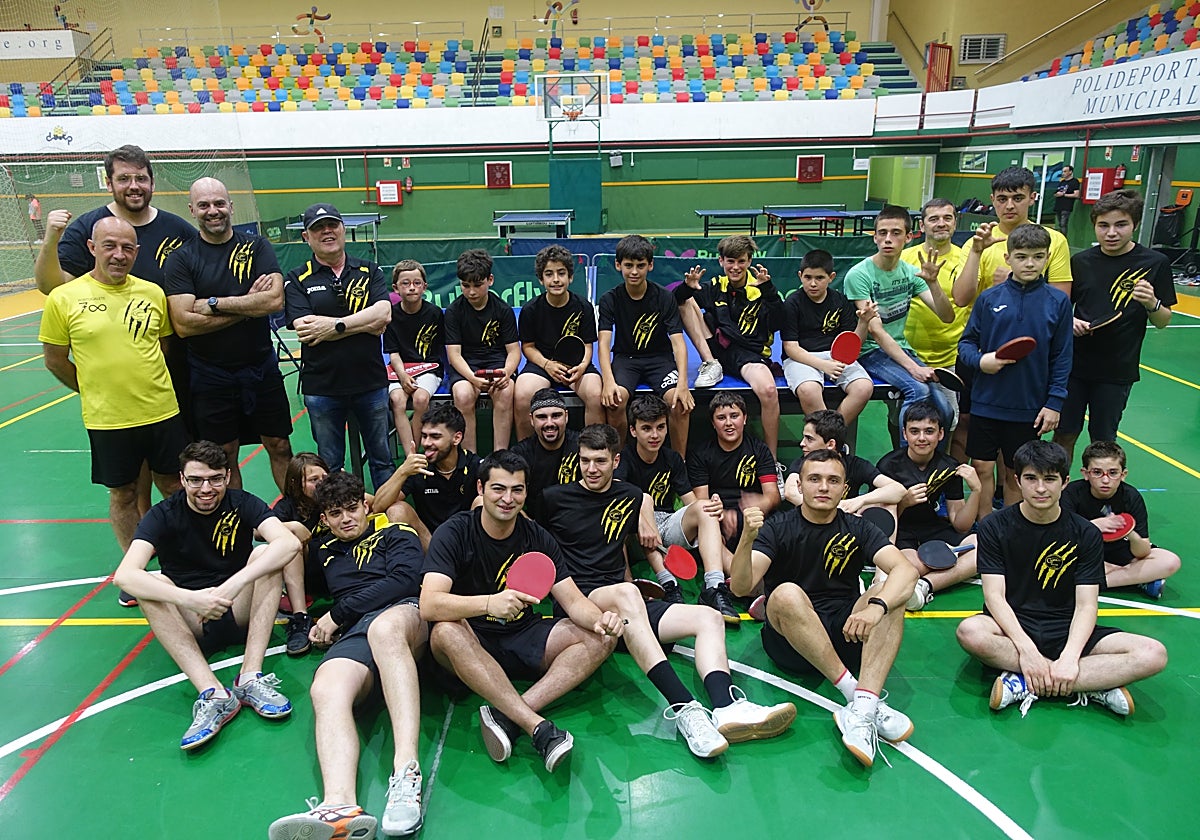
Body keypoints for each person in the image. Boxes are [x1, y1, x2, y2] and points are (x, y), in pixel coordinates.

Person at [543, 424, 796, 757]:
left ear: (616, 461)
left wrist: (646, 513)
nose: (591, 469)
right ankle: (686, 710)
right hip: (584, 608)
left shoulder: (631, 498)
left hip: (628, 611)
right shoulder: (553, 499)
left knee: (708, 618)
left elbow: (631, 524)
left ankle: (726, 706)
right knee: (627, 593)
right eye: (585, 461)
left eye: (600, 461)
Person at [420, 450, 623, 772]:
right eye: (498, 488)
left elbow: (572, 600)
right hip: (472, 640)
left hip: (522, 634)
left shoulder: (537, 537)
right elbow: (429, 604)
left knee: (600, 640)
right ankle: (537, 727)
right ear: (480, 489)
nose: (507, 498)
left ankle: (507, 714)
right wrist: (489, 602)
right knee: (445, 630)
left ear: (526, 493)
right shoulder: (455, 532)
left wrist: (601, 620)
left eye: (517, 490)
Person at [34, 145, 196, 516]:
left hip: (170, 384)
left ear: (152, 182)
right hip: (113, 405)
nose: (134, 185)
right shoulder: (84, 228)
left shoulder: (176, 229)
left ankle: (179, 546)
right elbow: (51, 287)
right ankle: (141, 549)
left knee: (174, 475)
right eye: (124, 178)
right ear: (109, 183)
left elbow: (167, 341)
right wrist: (50, 240)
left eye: (141, 178)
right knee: (127, 484)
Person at [732, 450, 918, 768]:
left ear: (845, 489)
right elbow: (739, 586)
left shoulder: (857, 527)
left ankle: (863, 706)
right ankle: (854, 695)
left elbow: (907, 571)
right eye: (814, 479)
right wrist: (747, 540)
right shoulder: (778, 528)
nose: (823, 487)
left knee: (891, 598)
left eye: (833, 480)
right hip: (791, 644)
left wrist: (877, 607)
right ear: (800, 486)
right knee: (786, 593)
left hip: (845, 631)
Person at [956, 440, 1167, 718]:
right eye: (1031, 478)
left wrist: (1069, 656)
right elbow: (994, 596)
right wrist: (1027, 650)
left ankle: (1024, 682)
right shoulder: (994, 526)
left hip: (1068, 627)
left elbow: (1087, 605)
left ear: (1065, 482)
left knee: (1154, 653)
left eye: (1050, 479)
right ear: (1017, 480)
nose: (1041, 488)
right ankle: (1092, 683)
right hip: (1013, 625)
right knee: (970, 632)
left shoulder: (1085, 533)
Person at [268, 471, 427, 839]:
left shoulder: (395, 532)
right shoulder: (323, 550)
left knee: (383, 630)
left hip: (405, 614)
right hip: (357, 629)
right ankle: (339, 806)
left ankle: (406, 773)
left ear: (366, 506)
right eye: (336, 513)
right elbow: (289, 565)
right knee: (326, 687)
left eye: (353, 509)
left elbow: (404, 580)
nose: (347, 519)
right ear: (324, 518)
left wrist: (338, 614)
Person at [112, 441, 301, 750]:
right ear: (182, 480)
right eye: (196, 480)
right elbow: (125, 575)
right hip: (192, 617)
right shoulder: (163, 514)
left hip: (236, 606)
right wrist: (191, 599)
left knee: (268, 554)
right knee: (147, 584)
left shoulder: (243, 503)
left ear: (227, 477)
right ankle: (214, 694)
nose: (206, 488)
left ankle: (250, 677)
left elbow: (289, 544)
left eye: (215, 478)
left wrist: (233, 585)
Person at [39, 215, 188, 605]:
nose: (119, 255)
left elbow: (165, 347)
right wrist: (93, 388)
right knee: (122, 496)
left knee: (174, 488)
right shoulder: (64, 298)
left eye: (127, 248)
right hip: (108, 420)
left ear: (137, 252)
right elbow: (55, 360)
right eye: (110, 246)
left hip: (162, 412)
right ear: (92, 248)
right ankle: (135, 575)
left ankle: (180, 566)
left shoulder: (152, 293)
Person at [164, 177, 293, 491]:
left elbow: (274, 300)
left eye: (219, 203)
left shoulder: (256, 246)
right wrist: (248, 306)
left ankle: (297, 517)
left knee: (279, 445)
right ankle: (237, 525)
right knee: (223, 455)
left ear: (230, 207)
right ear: (192, 209)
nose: (213, 211)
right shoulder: (181, 259)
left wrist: (212, 304)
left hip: (261, 367)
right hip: (210, 375)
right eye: (204, 205)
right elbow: (183, 323)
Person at [1053, 189, 1175, 464]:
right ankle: (1058, 494)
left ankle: (1099, 494)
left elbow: (1163, 321)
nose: (1111, 233)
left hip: (1117, 370)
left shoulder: (1155, 263)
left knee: (1103, 440)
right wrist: (1070, 322)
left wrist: (1152, 302)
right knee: (1064, 433)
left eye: (1120, 225)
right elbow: (1060, 309)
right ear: (1095, 226)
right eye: (1103, 225)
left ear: (1135, 225)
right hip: (1073, 366)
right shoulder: (1081, 262)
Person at [958, 224, 1072, 514]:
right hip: (986, 401)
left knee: (1016, 472)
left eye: (1037, 256)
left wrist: (1054, 403)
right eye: (1021, 256)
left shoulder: (1058, 302)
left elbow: (1062, 357)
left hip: (1028, 406)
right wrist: (982, 360)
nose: (1030, 263)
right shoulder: (989, 299)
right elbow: (967, 344)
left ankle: (1009, 526)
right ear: (1008, 258)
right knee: (982, 466)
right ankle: (986, 529)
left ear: (1047, 257)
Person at [283, 203, 395, 491]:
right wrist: (363, 323)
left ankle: (390, 521)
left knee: (382, 459)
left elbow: (383, 314)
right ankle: (336, 522)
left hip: (370, 383)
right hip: (323, 389)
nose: (327, 231)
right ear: (306, 237)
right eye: (318, 228)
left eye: (332, 225)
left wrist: (335, 326)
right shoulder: (297, 279)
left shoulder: (369, 271)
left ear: (344, 230)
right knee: (328, 465)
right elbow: (305, 329)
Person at [844, 205, 956, 432]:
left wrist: (933, 284)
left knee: (946, 410)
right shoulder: (859, 275)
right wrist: (914, 368)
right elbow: (876, 330)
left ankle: (932, 462)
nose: (888, 239)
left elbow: (946, 316)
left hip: (901, 349)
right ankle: (907, 462)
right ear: (874, 237)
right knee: (919, 390)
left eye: (896, 233)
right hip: (870, 352)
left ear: (909, 237)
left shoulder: (911, 273)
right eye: (882, 233)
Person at [676, 235, 786, 460]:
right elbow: (674, 302)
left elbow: (779, 323)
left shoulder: (760, 290)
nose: (735, 267)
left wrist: (770, 292)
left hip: (748, 356)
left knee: (769, 391)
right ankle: (710, 364)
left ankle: (772, 461)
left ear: (749, 261)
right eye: (730, 261)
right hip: (716, 349)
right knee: (685, 301)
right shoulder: (716, 285)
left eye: (741, 261)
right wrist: (686, 288)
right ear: (721, 261)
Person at [615, 394, 725, 609]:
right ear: (633, 431)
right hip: (633, 533)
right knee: (643, 500)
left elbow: (690, 502)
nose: (655, 435)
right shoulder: (624, 459)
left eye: (660, 427)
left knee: (705, 508)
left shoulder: (672, 458)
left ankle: (715, 586)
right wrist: (642, 523)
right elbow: (616, 501)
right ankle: (669, 584)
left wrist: (711, 510)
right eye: (647, 428)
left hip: (666, 528)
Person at [876, 402, 981, 610]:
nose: (922, 438)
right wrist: (904, 502)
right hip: (903, 533)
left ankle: (925, 585)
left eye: (929, 431)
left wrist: (977, 491)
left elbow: (960, 525)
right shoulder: (888, 466)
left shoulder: (949, 466)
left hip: (935, 530)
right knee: (909, 566)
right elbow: (882, 522)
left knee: (983, 548)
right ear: (904, 434)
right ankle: (924, 574)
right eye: (914, 431)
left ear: (941, 434)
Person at [686, 391, 781, 619]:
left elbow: (773, 496)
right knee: (708, 530)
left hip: (752, 517)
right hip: (719, 519)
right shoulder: (701, 453)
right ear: (712, 422)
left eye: (734, 415)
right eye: (721, 417)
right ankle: (750, 587)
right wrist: (721, 513)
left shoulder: (759, 450)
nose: (729, 423)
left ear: (745, 418)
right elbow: (702, 501)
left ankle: (744, 583)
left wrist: (757, 504)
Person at [597, 234, 695, 452]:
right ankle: (618, 461)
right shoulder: (609, 299)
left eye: (640, 265)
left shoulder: (664, 297)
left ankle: (679, 463)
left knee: (679, 402)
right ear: (617, 265)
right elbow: (603, 344)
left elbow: (678, 342)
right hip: (626, 360)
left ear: (650, 265)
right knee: (615, 400)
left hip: (660, 359)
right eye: (628, 265)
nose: (634, 271)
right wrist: (608, 381)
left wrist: (683, 383)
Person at [1060, 441, 1180, 600]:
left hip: (1120, 552)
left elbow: (1143, 551)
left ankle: (1096, 583)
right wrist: (1094, 526)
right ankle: (1136, 580)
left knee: (1170, 561)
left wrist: (1130, 533)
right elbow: (1060, 539)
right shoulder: (1071, 494)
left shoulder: (1131, 497)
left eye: (1113, 473)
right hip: (1084, 553)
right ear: (1085, 473)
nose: (1105, 480)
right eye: (1097, 472)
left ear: (1123, 475)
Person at [901, 199, 972, 460]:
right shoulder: (906, 257)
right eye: (934, 218)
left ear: (955, 222)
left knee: (947, 419)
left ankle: (939, 479)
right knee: (902, 418)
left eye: (947, 217)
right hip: (908, 356)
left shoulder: (966, 258)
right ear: (922, 225)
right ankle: (903, 468)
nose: (941, 223)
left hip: (950, 357)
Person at [514, 244, 604, 438]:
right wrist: (547, 365)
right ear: (540, 279)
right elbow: (528, 347)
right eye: (549, 274)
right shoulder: (530, 310)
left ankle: (593, 450)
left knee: (596, 395)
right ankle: (526, 453)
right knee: (521, 396)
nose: (556, 279)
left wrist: (581, 366)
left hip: (576, 365)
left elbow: (588, 346)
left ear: (570, 277)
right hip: (541, 363)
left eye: (561, 273)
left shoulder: (583, 307)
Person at [953, 165, 1073, 309]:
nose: (1009, 206)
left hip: (1033, 329)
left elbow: (1060, 304)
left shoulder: (1054, 240)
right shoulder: (977, 244)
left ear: (1032, 198)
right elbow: (961, 300)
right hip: (987, 329)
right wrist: (975, 252)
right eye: (1002, 199)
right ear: (993, 199)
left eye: (1017, 198)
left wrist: (1016, 282)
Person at [780, 249, 877, 427]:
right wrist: (823, 365)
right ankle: (829, 441)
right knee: (809, 390)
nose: (813, 283)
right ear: (800, 276)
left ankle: (830, 437)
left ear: (831, 277)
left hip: (836, 357)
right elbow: (791, 348)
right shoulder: (792, 303)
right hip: (802, 357)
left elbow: (852, 344)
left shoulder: (840, 301)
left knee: (864, 387)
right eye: (808, 277)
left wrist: (863, 323)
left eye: (819, 278)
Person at [371, 403, 482, 549]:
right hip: (429, 545)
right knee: (396, 509)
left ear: (457, 438)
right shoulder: (417, 467)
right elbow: (378, 506)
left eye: (435, 436)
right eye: (424, 436)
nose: (427, 443)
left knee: (483, 502)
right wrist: (403, 470)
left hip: (467, 545)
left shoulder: (474, 464)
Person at [445, 248, 520, 451]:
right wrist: (472, 378)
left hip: (497, 364)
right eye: (465, 285)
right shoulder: (453, 312)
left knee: (505, 392)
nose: (471, 292)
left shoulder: (503, 310)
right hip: (467, 367)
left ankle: (499, 454)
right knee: (462, 395)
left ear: (490, 280)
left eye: (477, 285)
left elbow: (514, 351)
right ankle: (470, 457)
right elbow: (454, 355)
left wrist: (507, 372)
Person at [783, 410, 906, 520]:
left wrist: (859, 501)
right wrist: (834, 512)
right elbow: (791, 493)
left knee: (889, 504)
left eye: (809, 439)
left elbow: (898, 490)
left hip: (848, 525)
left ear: (830, 444)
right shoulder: (801, 463)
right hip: (813, 522)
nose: (802, 443)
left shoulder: (856, 464)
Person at [271, 452, 331, 656]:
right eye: (314, 480)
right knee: (289, 543)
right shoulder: (287, 507)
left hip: (337, 568)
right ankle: (300, 618)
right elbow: (257, 530)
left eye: (325, 478)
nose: (322, 484)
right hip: (307, 575)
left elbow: (372, 502)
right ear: (297, 484)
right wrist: (293, 526)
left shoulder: (335, 495)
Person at [385, 259, 445, 455]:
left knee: (420, 399)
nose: (412, 288)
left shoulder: (435, 313)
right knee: (397, 400)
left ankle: (417, 451)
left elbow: (443, 351)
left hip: (429, 368)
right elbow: (393, 353)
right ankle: (411, 457)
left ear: (424, 286)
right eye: (405, 283)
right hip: (400, 369)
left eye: (417, 283)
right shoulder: (390, 316)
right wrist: (402, 376)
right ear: (395, 288)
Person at [511, 389, 581, 523]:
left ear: (566, 417)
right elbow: (507, 494)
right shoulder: (521, 453)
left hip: (577, 524)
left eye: (556, 416)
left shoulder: (582, 447)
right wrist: (530, 527)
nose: (549, 423)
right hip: (536, 526)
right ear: (532, 419)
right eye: (542, 417)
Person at [1054, 165, 1081, 235]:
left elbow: (1076, 194)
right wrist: (1057, 194)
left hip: (1067, 206)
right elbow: (1056, 192)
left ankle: (1064, 240)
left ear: (1070, 172)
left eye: (1065, 171)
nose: (1063, 173)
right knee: (1060, 224)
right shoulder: (1062, 182)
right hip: (1058, 206)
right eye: (1062, 171)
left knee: (1063, 224)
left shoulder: (1074, 182)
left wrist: (1063, 195)